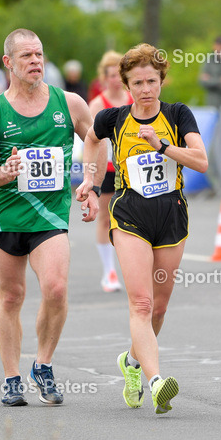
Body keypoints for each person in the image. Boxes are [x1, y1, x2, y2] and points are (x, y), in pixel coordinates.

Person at [76, 43, 209, 415]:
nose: (145, 89)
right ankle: (156, 382)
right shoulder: (113, 118)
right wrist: (88, 180)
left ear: (162, 81)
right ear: (127, 84)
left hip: (171, 215)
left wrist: (164, 146)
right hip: (129, 214)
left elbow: (201, 161)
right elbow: (90, 140)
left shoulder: (179, 115)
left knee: (160, 307)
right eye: (138, 82)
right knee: (141, 302)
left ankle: (131, 364)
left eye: (152, 80)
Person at [0, 28, 96, 408]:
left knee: (55, 288)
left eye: (39, 54)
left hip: (51, 215)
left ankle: (42, 365)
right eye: (26, 56)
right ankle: (12, 378)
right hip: (7, 215)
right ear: (8, 62)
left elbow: (97, 141)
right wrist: (3, 172)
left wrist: (92, 181)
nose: (36, 62)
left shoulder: (69, 103)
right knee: (12, 296)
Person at [87, 51, 133, 293]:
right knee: (106, 219)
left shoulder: (133, 99)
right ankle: (109, 272)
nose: (116, 79)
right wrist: (91, 175)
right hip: (107, 170)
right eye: (112, 75)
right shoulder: (97, 105)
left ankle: (134, 269)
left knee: (133, 218)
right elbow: (93, 142)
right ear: (104, 78)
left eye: (119, 74)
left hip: (132, 168)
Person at [198, 36, 221, 107]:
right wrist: (220, 80)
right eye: (218, 47)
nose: (220, 50)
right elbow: (202, 81)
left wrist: (211, 81)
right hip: (211, 105)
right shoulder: (208, 61)